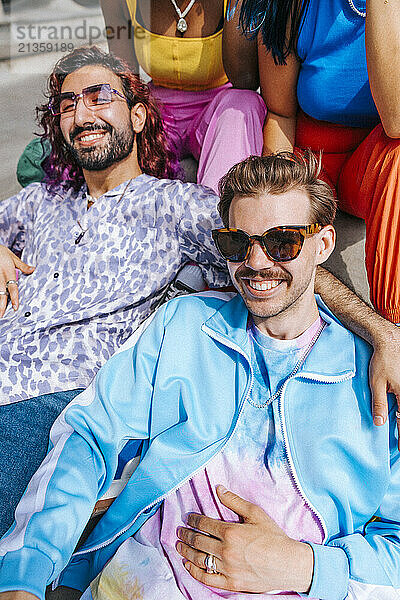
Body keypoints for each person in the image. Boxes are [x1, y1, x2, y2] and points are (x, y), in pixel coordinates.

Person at [0, 152, 399, 600]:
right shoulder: (183, 326)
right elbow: (88, 441)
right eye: (236, 243)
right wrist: (24, 574)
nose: (256, 263)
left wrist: (304, 567)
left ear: (323, 245)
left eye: (282, 243)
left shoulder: (373, 377)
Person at [0, 45, 232, 537]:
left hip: (53, 403)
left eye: (99, 96)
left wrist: (381, 333)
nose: (82, 113)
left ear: (140, 114)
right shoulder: (41, 201)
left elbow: (272, 258)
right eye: (67, 104)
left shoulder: (174, 206)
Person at [223, 0, 400, 323]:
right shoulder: (295, 6)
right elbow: (280, 113)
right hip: (310, 160)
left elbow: (396, 120)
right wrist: (278, 204)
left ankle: (393, 325)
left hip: (376, 162)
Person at [97, 0, 267, 193]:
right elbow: (124, 80)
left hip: (219, 113)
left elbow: (246, 80)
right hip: (155, 113)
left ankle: (218, 215)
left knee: (245, 103)